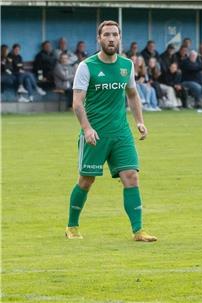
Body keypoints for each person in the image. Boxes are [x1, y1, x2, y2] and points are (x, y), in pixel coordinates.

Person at [65, 20, 157, 242]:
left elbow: (133, 95)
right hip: (95, 135)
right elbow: (77, 103)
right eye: (106, 35)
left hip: (121, 134)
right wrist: (86, 129)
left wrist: (139, 121)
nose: (111, 38)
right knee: (86, 180)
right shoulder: (87, 66)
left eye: (115, 34)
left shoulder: (126, 65)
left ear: (119, 38)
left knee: (131, 177)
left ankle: (138, 231)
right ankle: (72, 226)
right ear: (99, 38)